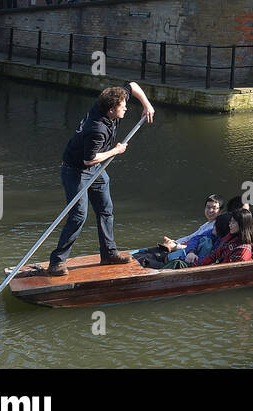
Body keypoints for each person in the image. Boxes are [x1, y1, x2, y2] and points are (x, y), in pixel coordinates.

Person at [47, 82, 156, 276]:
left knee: (106, 209)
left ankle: (109, 253)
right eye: (123, 107)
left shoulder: (109, 104)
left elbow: (132, 85)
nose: (126, 108)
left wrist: (147, 105)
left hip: (97, 168)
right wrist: (116, 150)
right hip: (76, 171)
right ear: (112, 110)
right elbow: (88, 160)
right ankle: (57, 262)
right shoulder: (97, 129)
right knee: (78, 216)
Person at [160, 194, 222, 258]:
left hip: (194, 256)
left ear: (220, 211)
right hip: (185, 249)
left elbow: (199, 247)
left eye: (214, 208)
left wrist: (176, 246)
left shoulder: (216, 227)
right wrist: (174, 242)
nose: (210, 211)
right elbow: (190, 237)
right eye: (208, 207)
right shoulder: (205, 225)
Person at [189, 208, 253, 266]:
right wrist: (196, 265)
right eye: (230, 222)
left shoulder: (243, 249)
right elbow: (213, 255)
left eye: (233, 222)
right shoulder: (228, 238)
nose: (230, 225)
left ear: (242, 225)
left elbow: (233, 271)